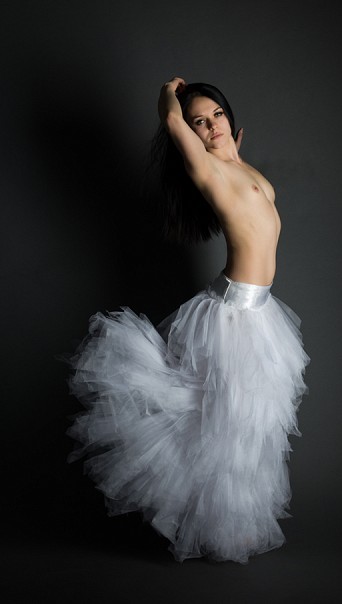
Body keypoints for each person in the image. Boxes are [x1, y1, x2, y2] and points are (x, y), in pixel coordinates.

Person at [66, 77, 310, 564]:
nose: (211, 125)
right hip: (232, 315)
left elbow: (247, 188)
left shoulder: (238, 167)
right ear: (190, 133)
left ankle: (234, 527)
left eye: (217, 114)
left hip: (260, 311)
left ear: (230, 119)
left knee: (249, 428)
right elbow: (171, 120)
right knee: (226, 426)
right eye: (200, 121)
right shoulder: (206, 170)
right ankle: (213, 528)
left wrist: (225, 143)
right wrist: (169, 94)